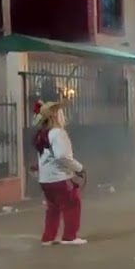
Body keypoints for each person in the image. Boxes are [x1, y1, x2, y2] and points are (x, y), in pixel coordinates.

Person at [33, 100, 87, 247]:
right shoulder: (58, 133)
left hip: (45, 180)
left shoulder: (43, 134)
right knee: (72, 204)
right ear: (56, 116)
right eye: (61, 112)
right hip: (60, 178)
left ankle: (48, 237)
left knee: (53, 208)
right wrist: (79, 168)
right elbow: (62, 156)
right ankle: (70, 237)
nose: (63, 115)